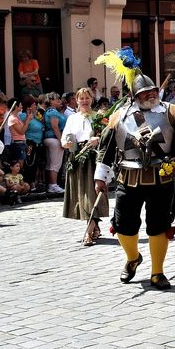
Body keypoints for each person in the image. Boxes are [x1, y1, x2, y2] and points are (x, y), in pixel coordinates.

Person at [94, 66, 175, 290]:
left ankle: (157, 272)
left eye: (152, 91)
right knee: (123, 225)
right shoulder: (118, 116)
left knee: (159, 225)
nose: (150, 95)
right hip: (128, 177)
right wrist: (101, 176)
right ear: (134, 96)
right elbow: (107, 148)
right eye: (144, 93)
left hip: (162, 178)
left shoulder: (172, 113)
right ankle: (132, 258)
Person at [62, 88, 105, 246]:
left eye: (87, 98)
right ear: (77, 100)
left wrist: (98, 139)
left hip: (93, 157)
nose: (85, 101)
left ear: (92, 99)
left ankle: (88, 233)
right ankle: (95, 227)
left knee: (92, 194)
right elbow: (65, 136)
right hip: (77, 156)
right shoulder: (72, 118)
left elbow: (106, 136)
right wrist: (65, 143)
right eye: (82, 98)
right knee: (83, 194)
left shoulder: (99, 117)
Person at [43, 93, 67, 195]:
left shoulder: (49, 111)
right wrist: (61, 140)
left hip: (49, 138)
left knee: (50, 163)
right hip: (54, 139)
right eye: (56, 99)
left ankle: (51, 184)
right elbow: (55, 127)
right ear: (51, 101)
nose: (59, 101)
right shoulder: (53, 112)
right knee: (55, 163)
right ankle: (53, 184)